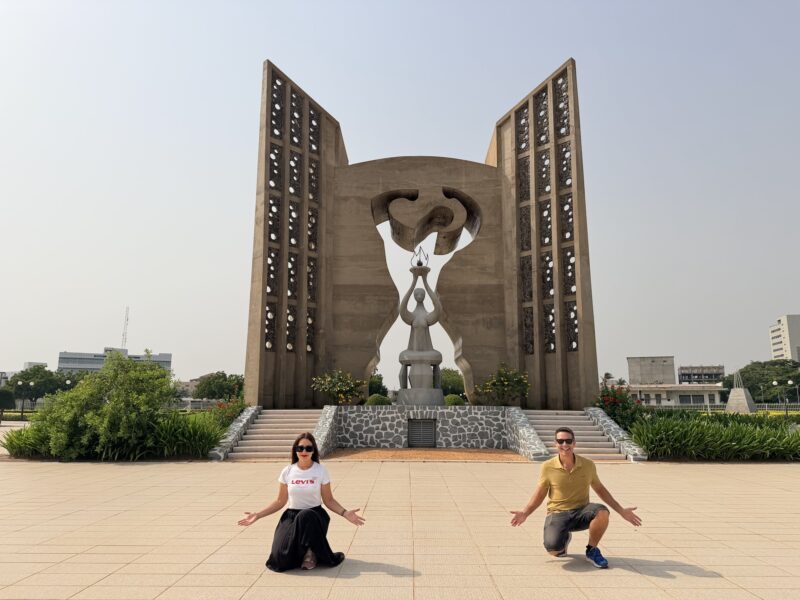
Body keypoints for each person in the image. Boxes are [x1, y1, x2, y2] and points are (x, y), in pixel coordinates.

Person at [510, 426, 642, 568]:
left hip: (582, 512)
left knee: (602, 511)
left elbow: (600, 490)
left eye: (568, 441)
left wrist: (621, 511)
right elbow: (540, 494)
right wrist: (525, 512)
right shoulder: (547, 467)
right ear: (555, 444)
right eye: (560, 441)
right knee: (553, 549)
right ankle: (564, 538)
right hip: (558, 513)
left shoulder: (588, 465)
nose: (565, 445)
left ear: (574, 443)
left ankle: (592, 550)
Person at [238, 432, 365, 571]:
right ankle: (302, 552)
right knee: (277, 559)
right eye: (300, 448)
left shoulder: (321, 470)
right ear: (295, 450)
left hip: (314, 516)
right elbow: (280, 501)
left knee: (306, 515)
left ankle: (311, 552)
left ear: (313, 450)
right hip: (291, 516)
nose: (304, 451)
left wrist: (345, 513)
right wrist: (258, 515)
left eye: (308, 448)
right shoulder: (287, 471)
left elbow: (328, 500)